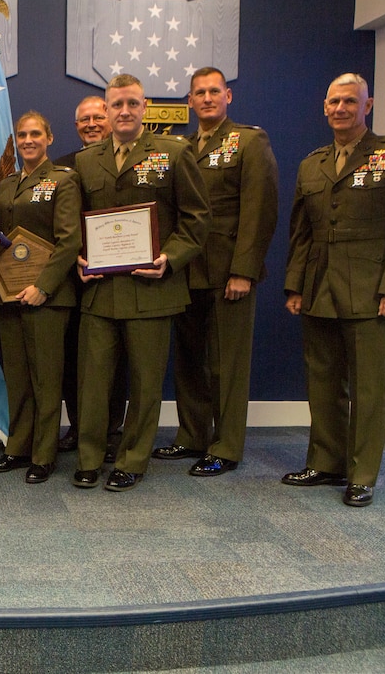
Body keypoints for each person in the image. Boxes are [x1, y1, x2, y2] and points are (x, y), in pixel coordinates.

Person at [283, 73, 385, 507]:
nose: (341, 108)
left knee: (369, 387)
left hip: (372, 292)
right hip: (319, 288)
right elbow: (302, 233)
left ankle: (362, 472)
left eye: (350, 101)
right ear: (324, 107)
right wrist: (295, 286)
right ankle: (326, 462)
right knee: (323, 381)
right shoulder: (312, 163)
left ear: (367, 106)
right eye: (334, 101)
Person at [72, 74, 209, 492]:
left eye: (132, 103)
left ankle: (132, 459)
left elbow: (197, 219)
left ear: (144, 106)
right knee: (93, 383)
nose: (125, 112)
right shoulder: (86, 160)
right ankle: (90, 457)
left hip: (152, 289)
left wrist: (170, 258)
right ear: (107, 110)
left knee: (146, 383)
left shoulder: (173, 152)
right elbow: (76, 221)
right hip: (101, 291)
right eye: (117, 105)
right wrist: (79, 255)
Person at [152, 67, 279, 476]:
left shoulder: (248, 140)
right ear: (189, 101)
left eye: (214, 91)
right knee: (189, 359)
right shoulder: (180, 146)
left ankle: (225, 446)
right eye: (199, 93)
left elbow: (259, 209)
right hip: (186, 270)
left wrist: (244, 270)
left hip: (228, 272)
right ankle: (191, 436)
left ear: (228, 96)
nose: (206, 98)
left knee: (227, 363)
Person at [0, 111, 81, 483]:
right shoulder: (7, 185)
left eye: (35, 134)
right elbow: (8, 237)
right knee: (18, 376)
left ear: (49, 138)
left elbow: (69, 240)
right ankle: (18, 447)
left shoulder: (63, 180)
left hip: (48, 297)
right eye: (22, 134)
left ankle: (44, 453)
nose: (27, 140)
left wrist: (43, 286)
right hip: (9, 293)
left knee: (46, 377)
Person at [54, 96, 127, 460]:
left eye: (99, 116)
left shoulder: (127, 163)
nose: (92, 123)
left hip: (120, 276)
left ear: (112, 118)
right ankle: (79, 426)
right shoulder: (62, 167)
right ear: (75, 125)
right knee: (71, 357)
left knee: (115, 359)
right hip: (73, 276)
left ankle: (111, 431)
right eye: (84, 119)